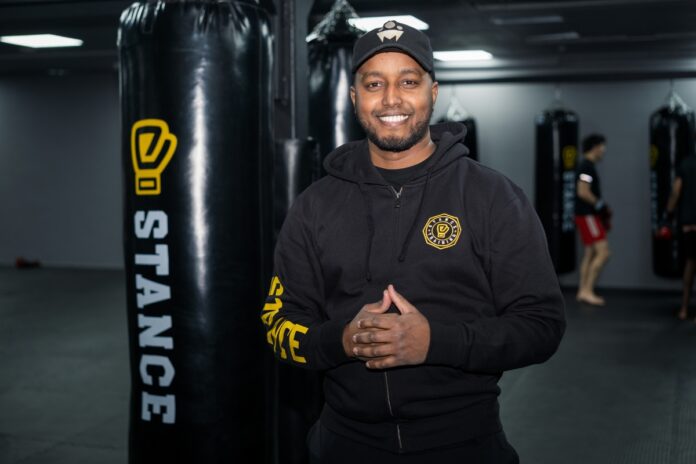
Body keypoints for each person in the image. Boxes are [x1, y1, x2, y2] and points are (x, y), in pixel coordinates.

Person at [261, 20, 565, 463]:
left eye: (408, 81)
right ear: (354, 97)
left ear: (432, 92)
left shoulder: (492, 196)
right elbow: (278, 324)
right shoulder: (315, 205)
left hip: (465, 445)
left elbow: (542, 325)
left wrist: (436, 342)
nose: (391, 99)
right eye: (374, 84)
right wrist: (342, 340)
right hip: (344, 445)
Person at [574, 134, 611, 306]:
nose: (604, 150)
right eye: (602, 146)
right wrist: (600, 205)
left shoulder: (587, 167)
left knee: (589, 253)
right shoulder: (586, 167)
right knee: (603, 253)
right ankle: (587, 291)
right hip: (587, 215)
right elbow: (583, 192)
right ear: (595, 147)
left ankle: (583, 291)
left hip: (587, 215)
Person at [665, 154, 696, 320]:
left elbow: (675, 191)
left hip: (689, 224)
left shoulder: (686, 163)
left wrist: (668, 215)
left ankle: (684, 309)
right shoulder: (685, 164)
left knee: (690, 262)